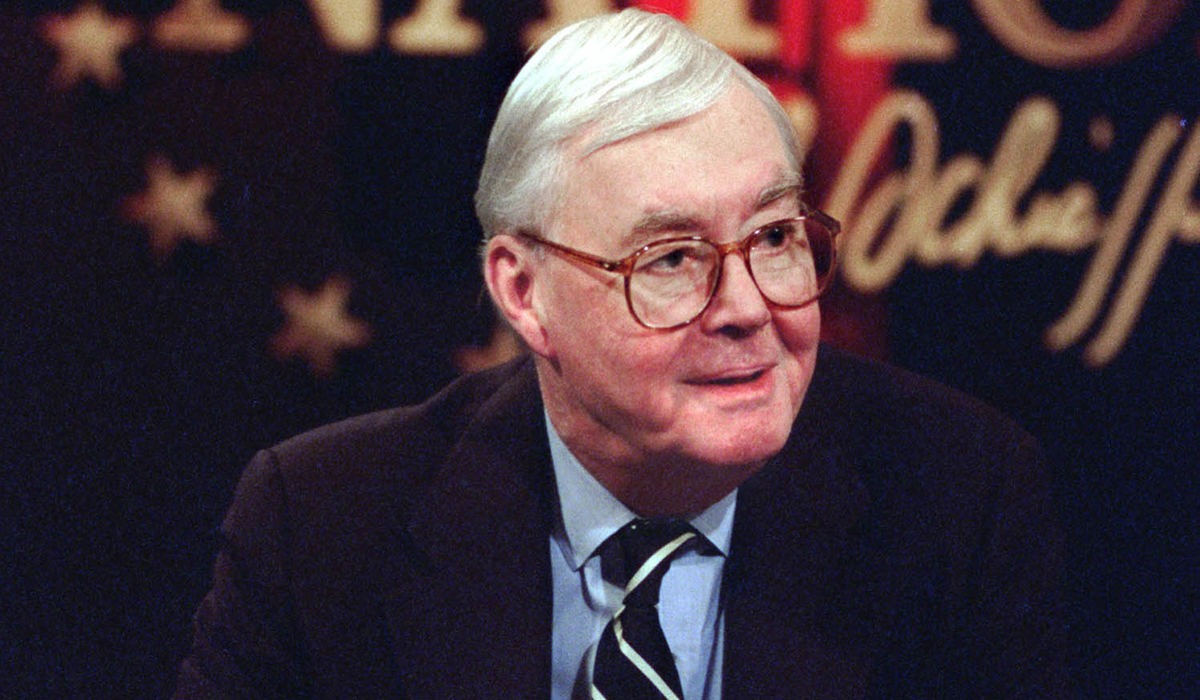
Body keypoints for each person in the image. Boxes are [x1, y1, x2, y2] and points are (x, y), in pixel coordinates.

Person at [175, 9, 1072, 700]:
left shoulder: (958, 495)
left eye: (773, 237)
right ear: (523, 291)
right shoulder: (322, 526)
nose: (747, 309)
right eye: (672, 259)